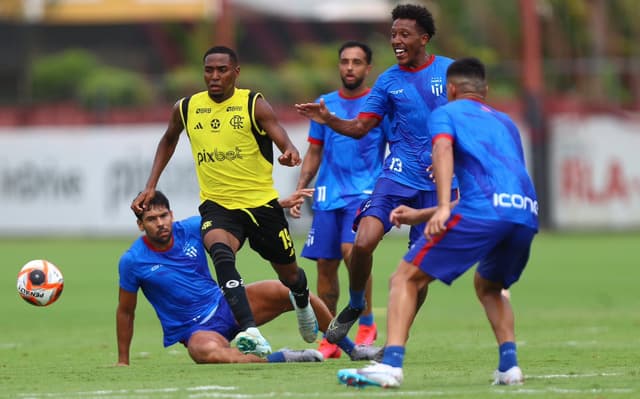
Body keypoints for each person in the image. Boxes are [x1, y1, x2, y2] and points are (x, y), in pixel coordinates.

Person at [336, 57, 539, 388]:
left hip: (482, 212)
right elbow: (500, 184)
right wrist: (420, 215)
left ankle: (390, 366)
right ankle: (509, 366)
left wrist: (442, 205)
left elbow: (442, 149)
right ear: (485, 90)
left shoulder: (444, 113)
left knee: (404, 278)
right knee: (489, 287)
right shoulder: (506, 123)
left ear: (452, 89)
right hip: (525, 212)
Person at [131, 46, 317, 357]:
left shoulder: (252, 103)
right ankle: (250, 330)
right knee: (220, 252)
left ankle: (301, 300)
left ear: (236, 72)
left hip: (261, 206)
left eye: (222, 70)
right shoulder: (187, 107)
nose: (214, 76)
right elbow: (168, 139)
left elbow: (279, 133)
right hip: (218, 205)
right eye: (209, 70)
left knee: (291, 275)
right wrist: (151, 186)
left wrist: (289, 150)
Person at [295, 4, 458, 344]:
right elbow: (359, 127)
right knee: (363, 242)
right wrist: (330, 120)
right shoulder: (387, 81)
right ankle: (356, 305)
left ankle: (397, 339)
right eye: (393, 34)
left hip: (440, 184)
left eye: (404, 34)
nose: (396, 40)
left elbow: (470, 117)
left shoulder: (449, 72)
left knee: (416, 271)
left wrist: (452, 154)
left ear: (423, 38)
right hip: (397, 176)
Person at [117, 191, 382, 365]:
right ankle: (284, 358)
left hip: (226, 304)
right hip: (195, 330)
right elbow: (126, 312)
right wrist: (123, 360)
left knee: (295, 292)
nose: (160, 223)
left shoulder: (189, 228)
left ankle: (352, 349)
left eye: (164, 215)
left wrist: (279, 204)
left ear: (171, 214)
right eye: (151, 219)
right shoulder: (132, 261)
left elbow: (236, 215)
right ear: (141, 225)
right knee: (204, 354)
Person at [291, 41, 386, 358]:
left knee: (353, 250)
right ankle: (332, 338)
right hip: (327, 196)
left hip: (364, 192)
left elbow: (396, 143)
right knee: (325, 270)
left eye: (357, 62)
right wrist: (301, 186)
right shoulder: (324, 103)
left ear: (367, 68)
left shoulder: (379, 103)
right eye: (345, 61)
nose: (349, 67)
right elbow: (315, 150)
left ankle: (367, 322)